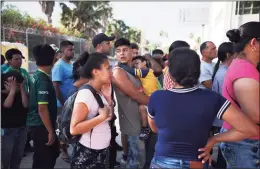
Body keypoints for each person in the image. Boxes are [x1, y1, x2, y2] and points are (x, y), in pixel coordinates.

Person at [148, 47, 259, 169]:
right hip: (196, 162)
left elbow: (155, 128)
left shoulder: (157, 97)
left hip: (163, 162)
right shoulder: (212, 98)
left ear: (170, 72)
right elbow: (250, 129)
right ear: (198, 71)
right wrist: (214, 139)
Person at [220, 21, 260, 168]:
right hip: (245, 143)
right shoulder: (245, 70)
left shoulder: (242, 66)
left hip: (243, 140)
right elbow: (255, 114)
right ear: (254, 43)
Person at [70, 52, 113, 169]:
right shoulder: (86, 94)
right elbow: (74, 129)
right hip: (88, 155)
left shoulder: (100, 91)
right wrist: (101, 118)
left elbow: (109, 116)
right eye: (108, 68)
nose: (111, 72)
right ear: (95, 72)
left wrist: (108, 99)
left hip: (101, 151)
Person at [112, 38, 149, 168]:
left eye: (125, 50)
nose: (122, 53)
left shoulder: (131, 69)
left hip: (140, 119)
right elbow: (135, 95)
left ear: (131, 52)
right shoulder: (118, 71)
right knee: (136, 161)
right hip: (132, 122)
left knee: (140, 159)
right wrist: (156, 102)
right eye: (118, 51)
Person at [92, 33, 122, 168]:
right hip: (100, 110)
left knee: (110, 140)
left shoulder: (103, 59)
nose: (110, 45)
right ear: (99, 46)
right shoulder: (94, 61)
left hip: (108, 107)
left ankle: (109, 161)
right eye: (107, 42)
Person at [27, 44, 59, 169]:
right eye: (55, 56)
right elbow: (42, 108)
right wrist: (51, 131)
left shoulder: (36, 76)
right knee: (45, 160)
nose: (56, 58)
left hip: (37, 125)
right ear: (51, 58)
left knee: (41, 157)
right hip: (41, 126)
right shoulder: (43, 81)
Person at [119, 56, 161, 140]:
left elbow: (132, 71)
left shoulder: (146, 71)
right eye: (134, 64)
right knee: (142, 108)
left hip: (155, 98)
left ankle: (146, 128)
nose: (135, 66)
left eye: (137, 63)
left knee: (142, 108)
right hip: (151, 97)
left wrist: (121, 65)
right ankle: (146, 128)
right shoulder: (142, 75)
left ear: (144, 63)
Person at [211, 42, 234, 168]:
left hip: (223, 117)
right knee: (225, 152)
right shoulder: (225, 73)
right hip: (225, 117)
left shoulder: (222, 70)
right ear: (228, 55)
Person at [52, 40, 74, 162]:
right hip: (62, 104)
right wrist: (63, 102)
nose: (72, 51)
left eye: (73, 49)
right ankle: (64, 152)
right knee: (62, 127)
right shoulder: (59, 66)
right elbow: (56, 86)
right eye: (70, 49)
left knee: (69, 126)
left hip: (71, 102)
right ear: (63, 51)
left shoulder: (71, 64)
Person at [1, 71, 28, 169]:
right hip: (7, 131)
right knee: (5, 159)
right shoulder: (2, 94)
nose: (14, 87)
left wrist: (21, 89)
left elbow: (25, 105)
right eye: (11, 84)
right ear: (5, 84)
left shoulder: (22, 93)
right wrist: (12, 91)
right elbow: (7, 105)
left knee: (17, 159)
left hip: (21, 129)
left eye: (17, 85)